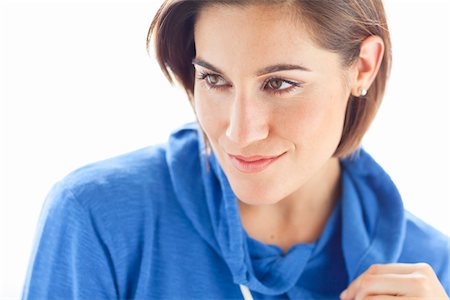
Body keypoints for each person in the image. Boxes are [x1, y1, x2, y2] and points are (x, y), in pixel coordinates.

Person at [22, 0, 450, 299]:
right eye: (214, 80)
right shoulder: (98, 219)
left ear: (363, 67)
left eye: (280, 83)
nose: (239, 133)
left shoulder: (430, 268)